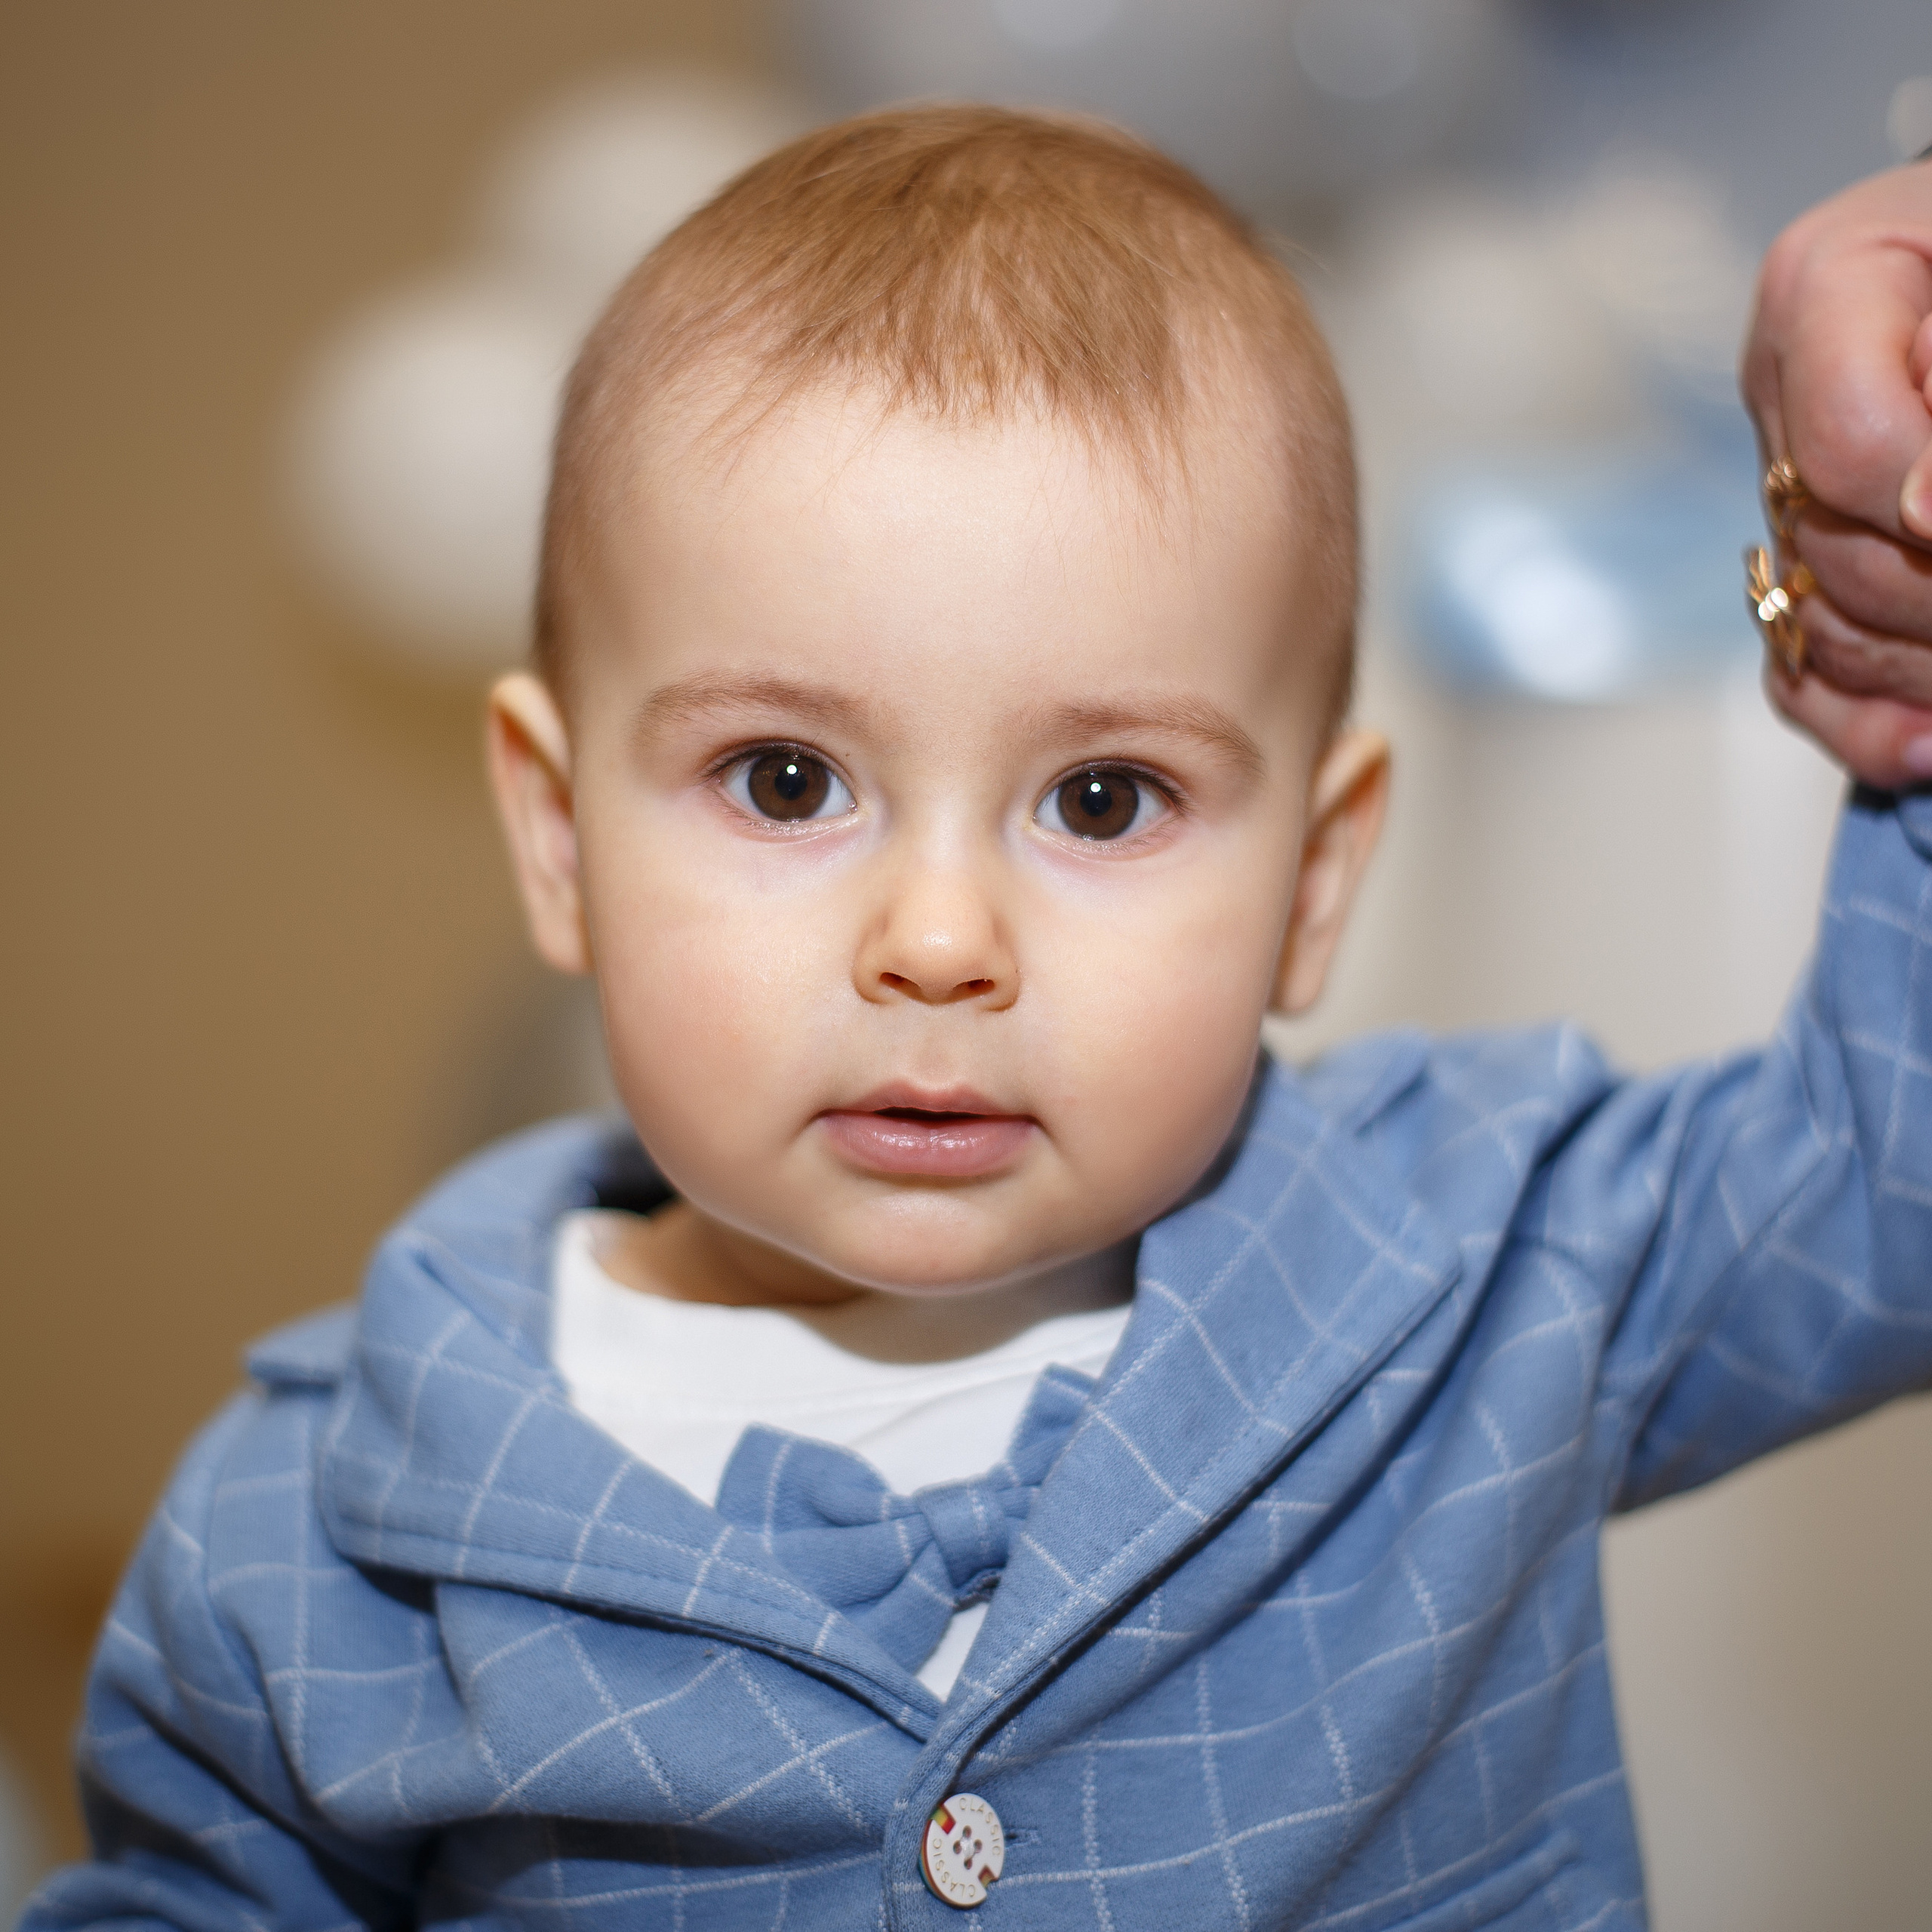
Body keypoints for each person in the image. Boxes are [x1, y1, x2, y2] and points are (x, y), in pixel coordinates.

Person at [20, 110, 1932, 1932]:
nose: (937, 942)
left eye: (1100, 798)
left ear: (1315, 876)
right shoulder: (311, 1544)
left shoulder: (1486, 1267)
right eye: (782, 780)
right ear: (557, 832)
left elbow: (1888, 1184)